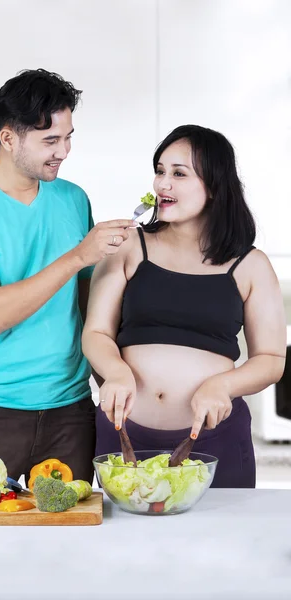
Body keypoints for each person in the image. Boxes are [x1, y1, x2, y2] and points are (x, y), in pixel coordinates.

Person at [0, 68, 135, 484]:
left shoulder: (73, 199)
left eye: (68, 137)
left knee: (68, 543)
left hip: (71, 411)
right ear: (8, 138)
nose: (64, 151)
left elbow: (88, 307)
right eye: (50, 141)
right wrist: (79, 255)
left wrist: (111, 379)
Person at [82, 124, 286, 488]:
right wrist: (115, 371)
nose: (163, 184)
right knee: (122, 546)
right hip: (123, 435)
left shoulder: (251, 265)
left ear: (214, 186)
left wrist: (223, 385)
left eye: (179, 174)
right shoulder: (129, 246)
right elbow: (96, 331)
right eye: (160, 171)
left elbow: (270, 359)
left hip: (214, 441)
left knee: (219, 544)